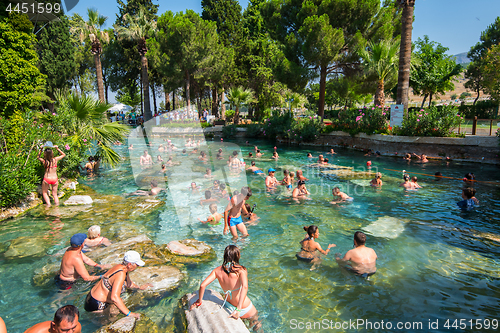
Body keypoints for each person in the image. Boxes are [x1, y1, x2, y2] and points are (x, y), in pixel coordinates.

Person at [190, 245, 259, 326]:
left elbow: (202, 285)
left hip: (228, 305)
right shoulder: (241, 270)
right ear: (237, 256)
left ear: (224, 256)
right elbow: (245, 287)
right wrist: (238, 309)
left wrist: (199, 301)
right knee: (256, 325)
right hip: (244, 308)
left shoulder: (217, 271)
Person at [84, 251, 151, 318]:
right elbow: (114, 298)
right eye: (137, 264)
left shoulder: (121, 267)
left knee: (122, 302)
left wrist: (139, 288)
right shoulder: (120, 274)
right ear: (129, 264)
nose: (138, 266)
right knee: (115, 311)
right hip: (96, 304)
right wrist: (130, 314)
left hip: (91, 297)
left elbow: (129, 284)